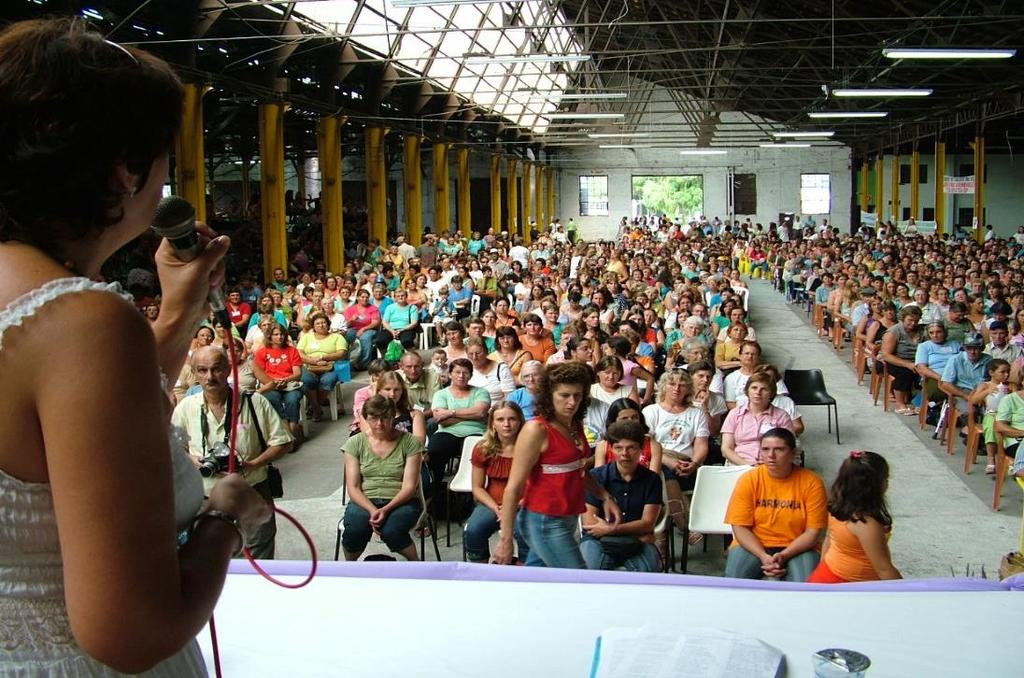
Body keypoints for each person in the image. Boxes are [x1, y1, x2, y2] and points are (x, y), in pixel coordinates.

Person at [0, 19, 270, 673]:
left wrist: (176, 318)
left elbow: (60, 432)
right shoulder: (82, 321)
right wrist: (225, 518)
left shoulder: (50, 318)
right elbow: (131, 631)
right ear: (126, 169)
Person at [493, 361, 623, 568]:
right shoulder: (536, 430)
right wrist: (505, 540)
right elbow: (514, 487)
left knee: (538, 577)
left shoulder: (574, 424)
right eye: (564, 395)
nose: (572, 402)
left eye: (578, 395)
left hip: (567, 515)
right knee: (577, 579)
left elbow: (577, 468)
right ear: (549, 396)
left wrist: (604, 496)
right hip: (544, 519)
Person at [172, 346, 293, 559]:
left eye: (216, 369)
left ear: (228, 370)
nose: (209, 377)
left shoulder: (254, 402)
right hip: (205, 496)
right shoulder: (186, 407)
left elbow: (283, 442)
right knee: (210, 557)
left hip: (252, 491)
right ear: (195, 373)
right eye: (202, 370)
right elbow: (173, 447)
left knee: (259, 556)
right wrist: (193, 460)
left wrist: (253, 463)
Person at [724, 428, 827, 582]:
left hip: (798, 546)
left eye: (779, 449)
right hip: (754, 545)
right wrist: (763, 556)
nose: (771, 455)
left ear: (793, 453)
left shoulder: (812, 482)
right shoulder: (749, 479)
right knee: (734, 581)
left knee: (805, 585)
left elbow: (813, 533)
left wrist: (784, 555)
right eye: (765, 449)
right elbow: (739, 526)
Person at [340, 395, 424, 561]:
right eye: (374, 418)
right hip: (365, 499)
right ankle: (350, 568)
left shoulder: (410, 442)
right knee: (355, 530)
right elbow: (353, 487)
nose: (380, 424)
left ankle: (416, 565)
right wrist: (373, 510)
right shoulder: (355, 443)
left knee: (392, 530)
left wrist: (385, 510)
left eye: (385, 418)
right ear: (365, 418)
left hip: (401, 499)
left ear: (393, 417)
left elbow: (409, 487)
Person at [581, 420, 663, 572]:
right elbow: (590, 523)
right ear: (611, 449)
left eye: (631, 448)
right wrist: (630, 529)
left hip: (637, 540)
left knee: (648, 573)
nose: (625, 454)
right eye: (618, 448)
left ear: (641, 449)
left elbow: (648, 523)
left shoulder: (652, 480)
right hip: (598, 540)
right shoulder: (596, 477)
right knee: (591, 572)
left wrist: (612, 529)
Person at [809, 451, 902, 583]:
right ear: (873, 486)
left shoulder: (838, 507)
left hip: (827, 573)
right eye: (885, 478)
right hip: (848, 586)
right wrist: (910, 594)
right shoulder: (865, 523)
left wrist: (821, 572)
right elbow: (884, 569)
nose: (887, 483)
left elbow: (828, 541)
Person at [464, 403, 529, 563]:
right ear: (492, 423)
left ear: (520, 421)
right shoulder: (483, 448)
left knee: (524, 532)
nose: (506, 424)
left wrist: (515, 506)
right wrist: (497, 508)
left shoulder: (531, 447)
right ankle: (481, 571)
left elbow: (538, 485)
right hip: (492, 503)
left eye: (512, 419)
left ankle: (526, 569)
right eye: (500, 419)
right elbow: (477, 488)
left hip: (525, 503)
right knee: (473, 529)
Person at [425, 358, 491, 502]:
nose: (461, 376)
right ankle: (436, 489)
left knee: (479, 454)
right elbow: (439, 419)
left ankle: (475, 492)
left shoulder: (481, 392)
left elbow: (480, 413)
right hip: (447, 431)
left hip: (476, 432)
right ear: (450, 374)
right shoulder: (441, 394)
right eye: (457, 372)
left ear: (471, 375)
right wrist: (471, 415)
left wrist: (451, 412)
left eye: (465, 373)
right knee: (434, 450)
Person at [252, 323, 306, 441]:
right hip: (271, 385)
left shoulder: (292, 351)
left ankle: (293, 429)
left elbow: (297, 374)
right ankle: (287, 430)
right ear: (269, 336)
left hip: (290, 384)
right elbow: (260, 374)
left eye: (282, 334)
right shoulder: (262, 352)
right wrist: (273, 382)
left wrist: (285, 380)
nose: (280, 337)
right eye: (276, 334)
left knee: (293, 399)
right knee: (271, 398)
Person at [297, 313, 348, 422]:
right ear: (313, 326)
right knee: (306, 380)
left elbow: (341, 353)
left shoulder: (337, 337)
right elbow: (299, 353)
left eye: (323, 323)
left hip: (330, 366)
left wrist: (323, 358)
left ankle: (315, 408)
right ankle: (317, 409)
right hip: (309, 365)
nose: (321, 325)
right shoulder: (307, 337)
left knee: (327, 380)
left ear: (328, 324)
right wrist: (312, 360)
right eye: (318, 323)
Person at [594, 398, 663, 472]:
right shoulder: (603, 446)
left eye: (634, 417)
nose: (630, 422)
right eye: (624, 418)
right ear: (614, 421)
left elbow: (653, 479)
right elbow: (598, 478)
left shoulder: (653, 446)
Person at [880, 305, 924, 416]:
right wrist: (907, 364)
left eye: (916, 320)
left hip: (918, 360)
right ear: (903, 318)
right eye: (910, 320)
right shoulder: (894, 331)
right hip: (897, 360)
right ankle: (900, 404)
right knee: (904, 372)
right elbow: (886, 354)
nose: (913, 323)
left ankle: (919, 402)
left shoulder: (922, 330)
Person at [970, 359, 1011, 475]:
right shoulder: (985, 385)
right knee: (991, 426)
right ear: (991, 372)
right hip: (992, 414)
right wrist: (987, 391)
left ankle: (1010, 458)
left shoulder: (1010, 386)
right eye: (1002, 372)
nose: (1006, 375)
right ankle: (991, 459)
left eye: (1008, 372)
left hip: (1008, 416)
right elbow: (973, 400)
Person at [466, 336, 516, 405]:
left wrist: (493, 409)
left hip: (496, 409)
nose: (474, 357)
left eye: (478, 353)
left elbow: (510, 396)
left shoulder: (501, 369)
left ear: (486, 352)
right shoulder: (466, 370)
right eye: (471, 354)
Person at [343, 288, 381, 369]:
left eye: (367, 297)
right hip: (353, 329)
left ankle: (363, 363)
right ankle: (345, 361)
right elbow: (345, 325)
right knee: (346, 335)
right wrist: (351, 320)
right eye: (362, 297)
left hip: (370, 329)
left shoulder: (373, 308)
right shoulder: (351, 309)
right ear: (357, 298)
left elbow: (375, 323)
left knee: (365, 337)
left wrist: (363, 329)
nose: (365, 299)